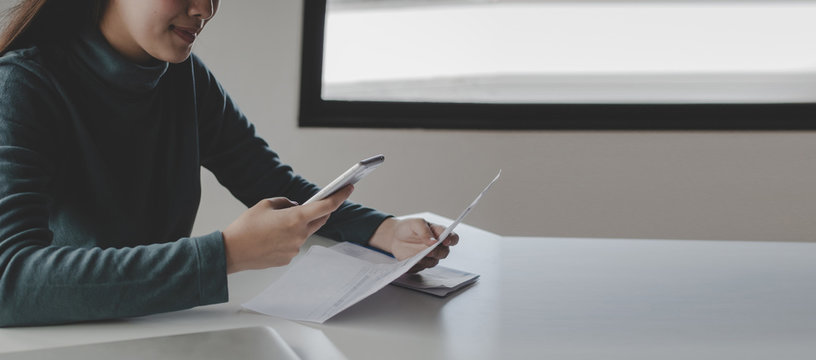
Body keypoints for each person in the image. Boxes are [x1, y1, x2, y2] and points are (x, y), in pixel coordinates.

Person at [0, 0, 458, 327]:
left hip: (160, 328)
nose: (206, 9)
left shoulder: (186, 77)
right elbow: (10, 283)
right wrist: (227, 255)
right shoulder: (22, 86)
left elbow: (269, 180)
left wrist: (383, 231)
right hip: (60, 342)